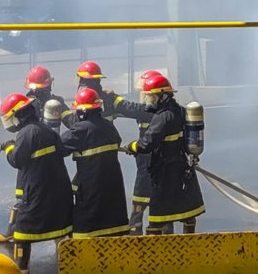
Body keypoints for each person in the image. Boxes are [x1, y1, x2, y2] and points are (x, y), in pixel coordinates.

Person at [0, 92, 73, 274]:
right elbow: (62, 151)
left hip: (39, 193)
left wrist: (8, 147)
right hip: (59, 192)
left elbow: (17, 160)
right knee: (62, 227)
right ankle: (71, 266)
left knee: (22, 232)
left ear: (18, 115)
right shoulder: (45, 128)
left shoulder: (26, 132)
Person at [124, 70, 205, 234]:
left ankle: (155, 253)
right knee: (186, 210)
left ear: (163, 96)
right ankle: (190, 245)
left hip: (164, 171)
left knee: (158, 215)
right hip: (182, 167)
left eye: (152, 97)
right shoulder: (180, 111)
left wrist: (133, 146)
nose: (149, 101)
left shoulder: (163, 117)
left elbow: (148, 143)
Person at [59, 87, 130, 238]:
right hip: (113, 189)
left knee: (85, 223)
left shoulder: (81, 129)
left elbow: (59, 147)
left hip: (91, 188)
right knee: (113, 221)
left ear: (82, 111)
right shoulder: (109, 127)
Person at [107, 80, 157, 232]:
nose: (139, 96)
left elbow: (131, 108)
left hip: (152, 163)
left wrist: (113, 98)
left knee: (150, 200)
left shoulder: (153, 110)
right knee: (146, 198)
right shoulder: (153, 110)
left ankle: (145, 234)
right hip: (146, 162)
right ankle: (138, 230)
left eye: (141, 92)